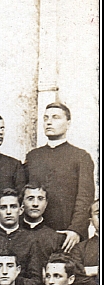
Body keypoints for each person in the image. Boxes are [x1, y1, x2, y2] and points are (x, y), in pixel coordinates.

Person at [25, 102, 95, 247]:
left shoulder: (81, 157)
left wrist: (76, 230)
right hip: (34, 233)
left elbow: (85, 197)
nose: (49, 122)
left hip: (67, 236)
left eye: (55, 117)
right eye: (46, 118)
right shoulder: (33, 156)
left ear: (68, 123)